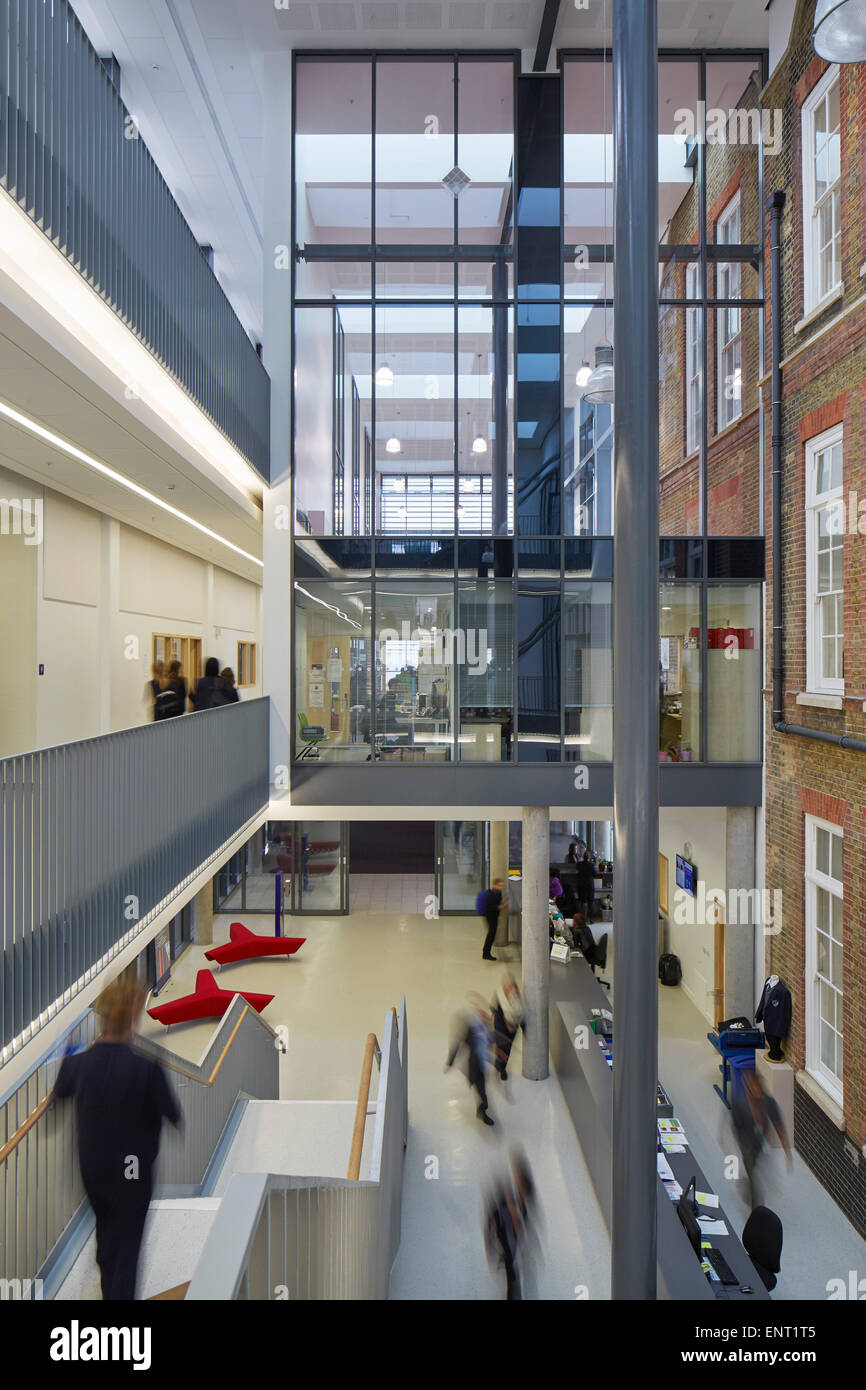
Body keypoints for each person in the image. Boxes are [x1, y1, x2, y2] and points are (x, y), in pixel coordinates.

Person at [53, 974, 181, 1300]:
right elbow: (174, 1115)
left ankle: (109, 1287)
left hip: (93, 1171)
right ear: (133, 1018)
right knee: (127, 1246)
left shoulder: (76, 1065)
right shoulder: (147, 1069)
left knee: (108, 1234)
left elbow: (57, 1101)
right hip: (131, 1171)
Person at [730, 1068, 793, 1209]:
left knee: (758, 1163)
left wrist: (787, 1153)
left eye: (758, 1088)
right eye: (753, 1088)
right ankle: (756, 1206)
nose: (757, 1092)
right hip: (746, 1141)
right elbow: (736, 1127)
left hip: (759, 1141)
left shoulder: (769, 1103)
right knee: (751, 1168)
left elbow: (779, 1126)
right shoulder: (740, 1104)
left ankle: (746, 1186)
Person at [484, 1149, 538, 1299]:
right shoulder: (501, 1198)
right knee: (512, 1279)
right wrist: (492, 1246)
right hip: (506, 1246)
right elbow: (490, 1221)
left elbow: (526, 1220)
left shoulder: (525, 1198)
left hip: (513, 1247)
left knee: (514, 1278)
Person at [445, 993, 495, 1126]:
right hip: (473, 1064)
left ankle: (482, 1106)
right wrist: (449, 1062)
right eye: (474, 1005)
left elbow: (491, 1038)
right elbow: (458, 1042)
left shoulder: (487, 1022)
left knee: (481, 1086)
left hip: (482, 1062)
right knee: (481, 1089)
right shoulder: (470, 1026)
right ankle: (482, 1110)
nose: (479, 1009)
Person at [491, 972, 525, 1082]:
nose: (512, 989)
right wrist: (506, 1023)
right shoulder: (499, 995)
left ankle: (500, 1063)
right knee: (503, 1049)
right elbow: (494, 1010)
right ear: (505, 987)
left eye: (513, 986)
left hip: (512, 1030)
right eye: (509, 987)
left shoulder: (517, 996)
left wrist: (520, 1025)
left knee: (508, 1050)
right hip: (501, 1029)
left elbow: (521, 1012)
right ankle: (501, 1068)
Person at [479, 877, 507, 962]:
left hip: (492, 916)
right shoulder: (493, 894)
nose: (500, 887)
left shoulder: (495, 893)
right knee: (491, 935)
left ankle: (486, 952)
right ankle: (486, 953)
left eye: (502, 886)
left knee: (491, 934)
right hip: (491, 916)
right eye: (499, 885)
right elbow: (491, 907)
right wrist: (502, 907)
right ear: (494, 885)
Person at [575, 851, 597, 920]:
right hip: (590, 885)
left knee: (583, 902)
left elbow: (577, 869)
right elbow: (595, 874)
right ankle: (591, 918)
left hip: (581, 885)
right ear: (589, 857)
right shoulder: (592, 864)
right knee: (591, 902)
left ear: (583, 857)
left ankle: (583, 919)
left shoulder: (579, 864)